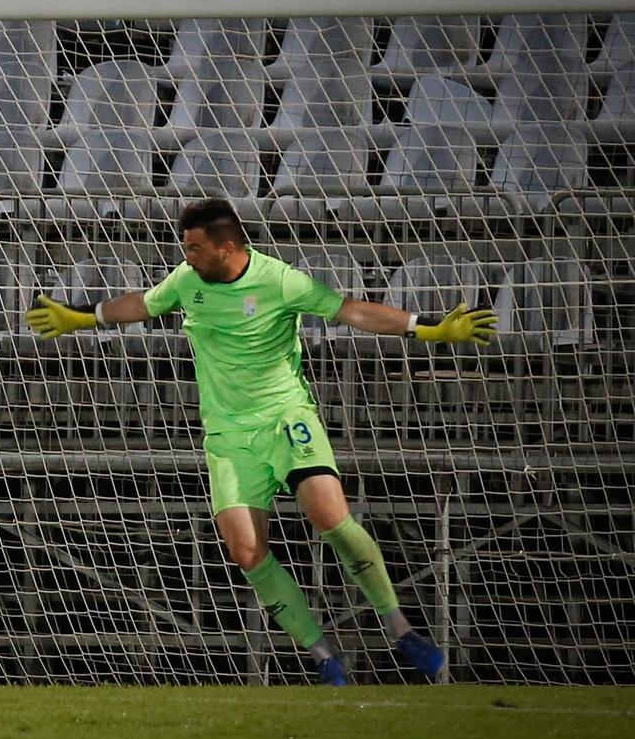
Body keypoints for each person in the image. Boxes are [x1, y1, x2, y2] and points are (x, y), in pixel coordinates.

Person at [26, 198, 497, 685]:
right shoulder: (188, 281)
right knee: (247, 551)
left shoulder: (279, 280)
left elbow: (351, 311)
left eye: (194, 247)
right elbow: (144, 303)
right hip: (229, 436)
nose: (185, 255)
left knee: (329, 518)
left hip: (284, 419)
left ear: (226, 248)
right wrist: (84, 318)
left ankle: (400, 629)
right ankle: (323, 656)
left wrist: (427, 328)